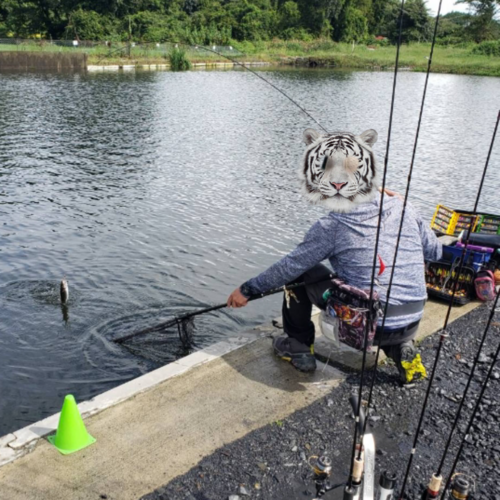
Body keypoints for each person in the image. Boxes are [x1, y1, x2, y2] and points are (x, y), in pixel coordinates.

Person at [227, 128, 442, 384]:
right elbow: (436, 252)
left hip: (364, 326)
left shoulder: (334, 225)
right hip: (412, 319)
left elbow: (288, 267)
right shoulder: (404, 207)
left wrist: (248, 289)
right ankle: (400, 348)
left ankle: (298, 347)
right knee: (378, 290)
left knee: (303, 271)